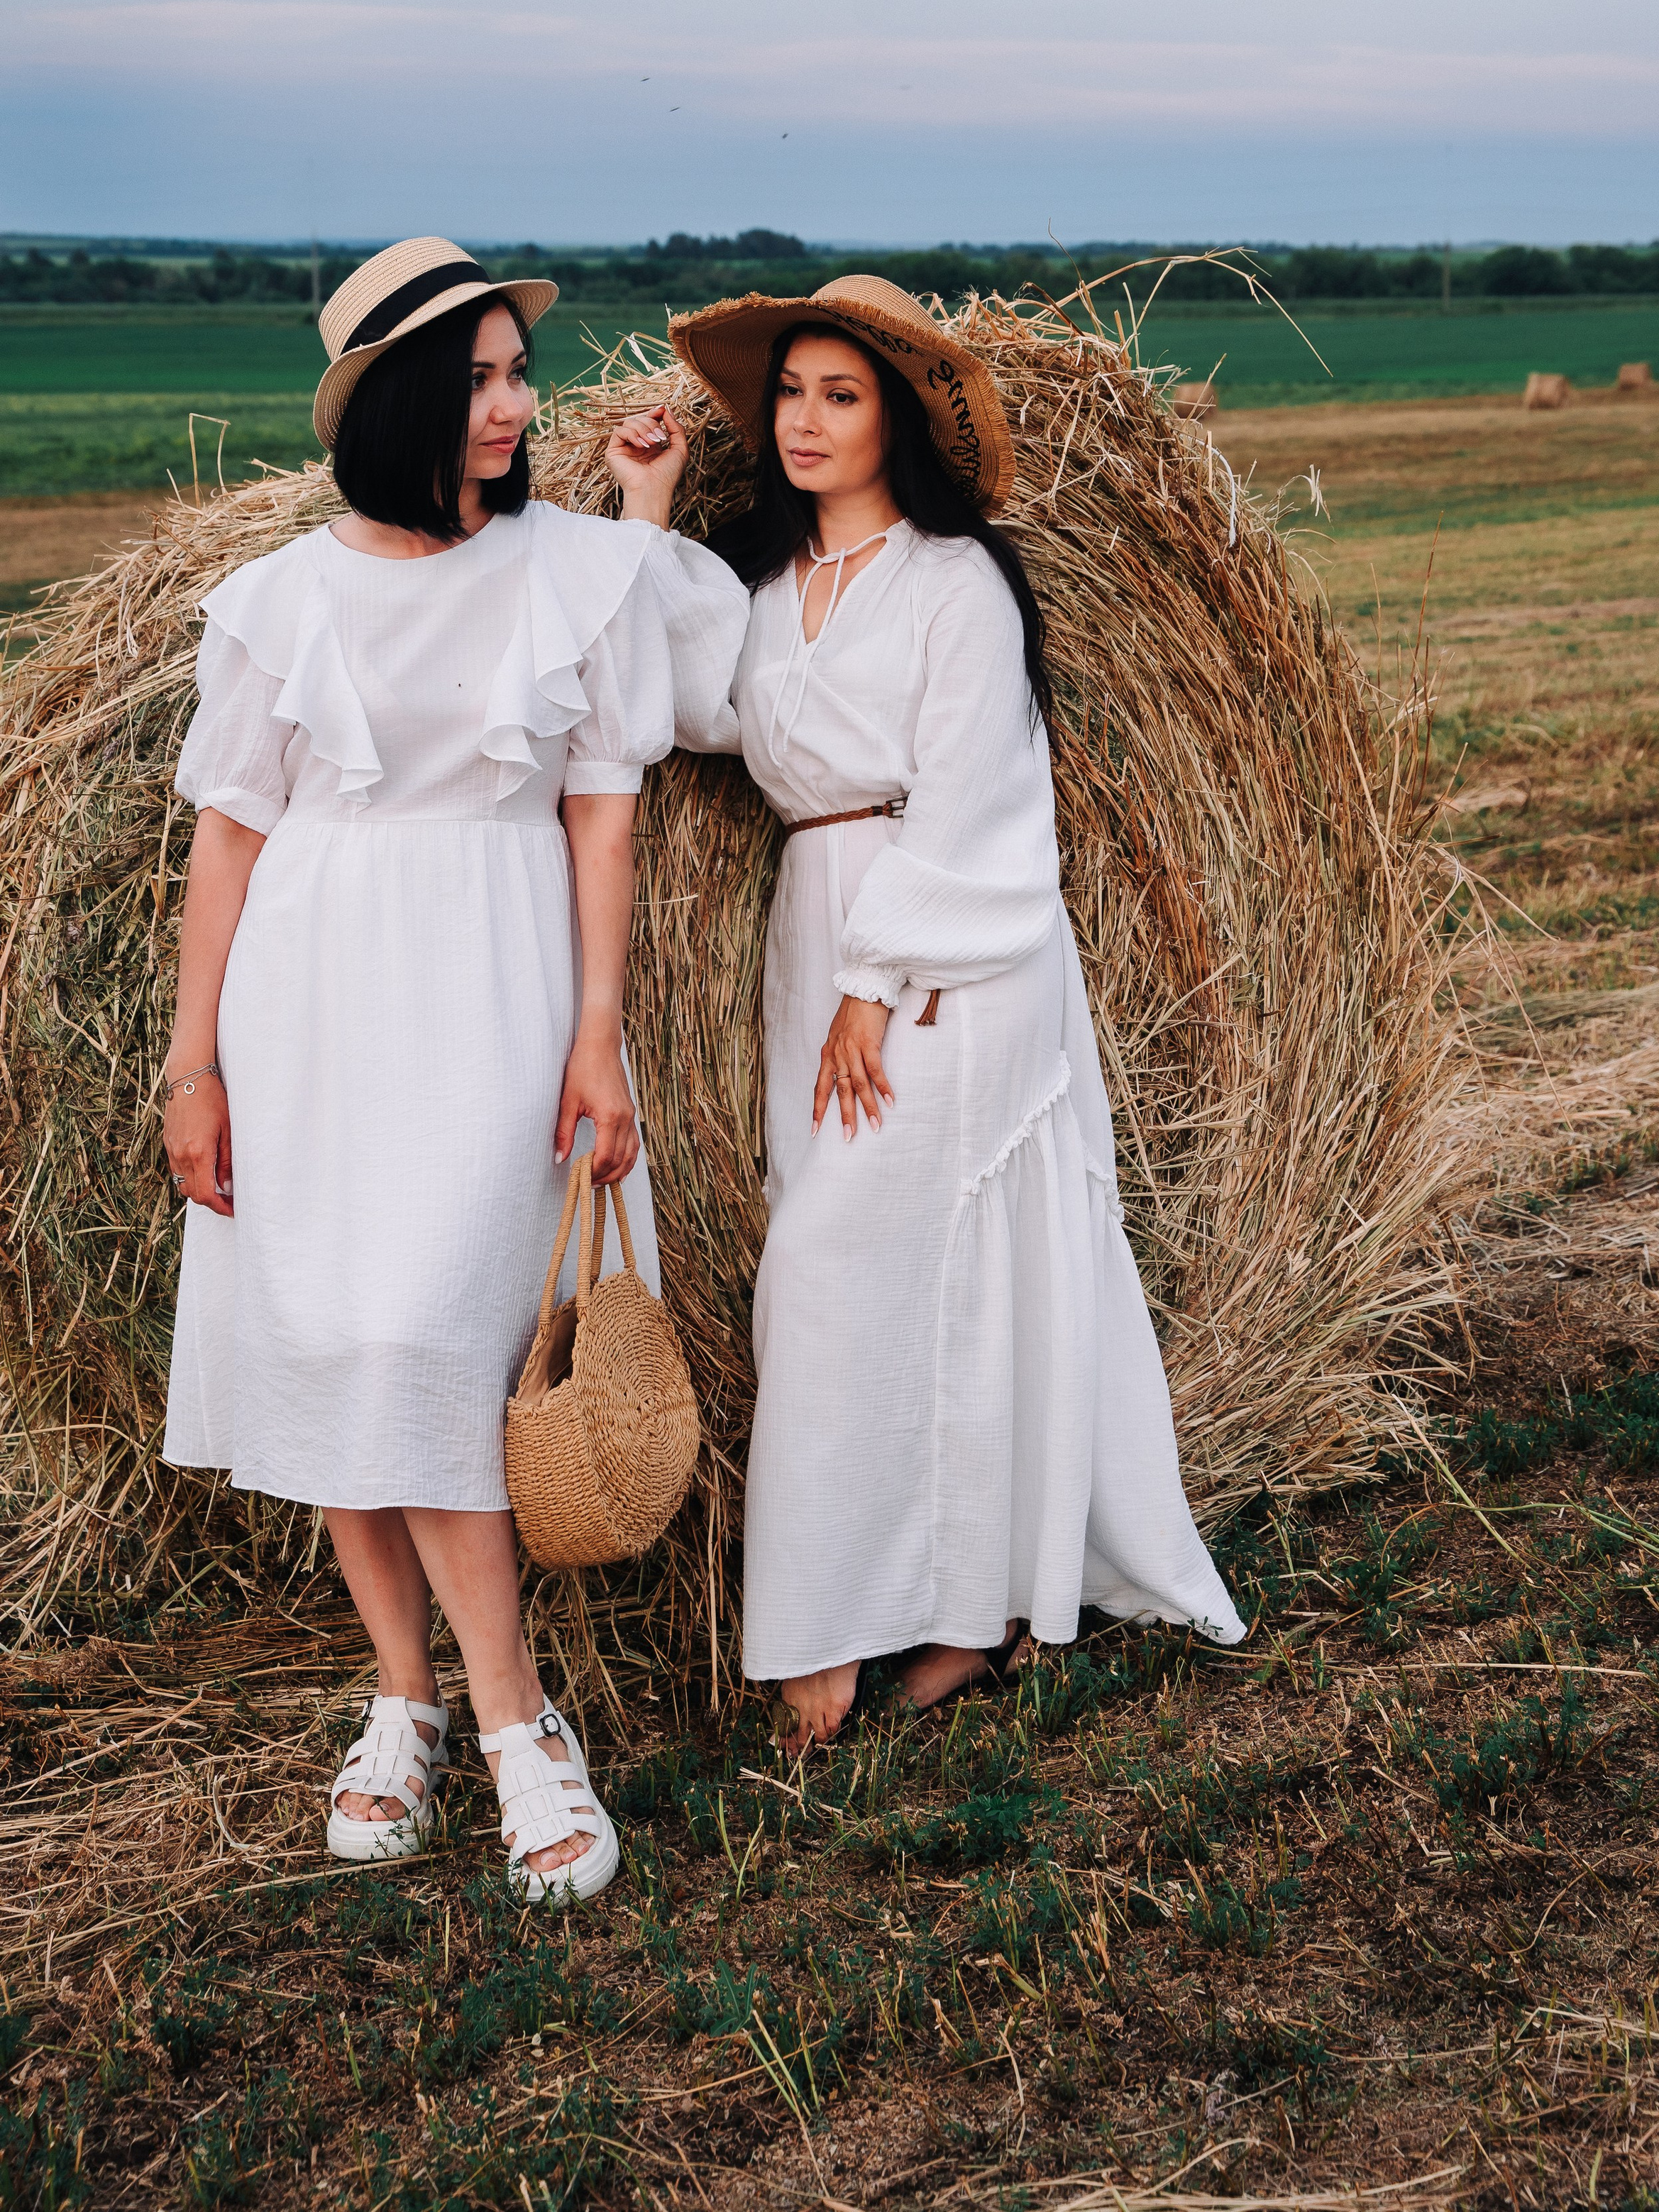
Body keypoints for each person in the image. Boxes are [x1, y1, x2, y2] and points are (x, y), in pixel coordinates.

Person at [160, 236, 747, 1894]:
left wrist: (601, 1033)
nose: (516, 404)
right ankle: (412, 1706)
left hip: (490, 980)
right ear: (407, 396)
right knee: (339, 1338)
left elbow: (604, 810)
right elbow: (228, 841)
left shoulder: (562, 567)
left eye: (516, 371)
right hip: (311, 995)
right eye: (482, 377)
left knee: (431, 1337)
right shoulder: (278, 602)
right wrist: (191, 1066)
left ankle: (511, 1722)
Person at [666, 276, 1245, 1757]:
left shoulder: (954, 583)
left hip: (947, 961)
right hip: (821, 926)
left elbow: (983, 801)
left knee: (850, 1264)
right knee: (890, 1269)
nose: (802, 420)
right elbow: (671, 704)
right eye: (787, 392)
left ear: (896, 419)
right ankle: (948, 1609)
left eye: (838, 395)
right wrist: (641, 505)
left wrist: (877, 985)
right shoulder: (769, 591)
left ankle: (850, 1627)